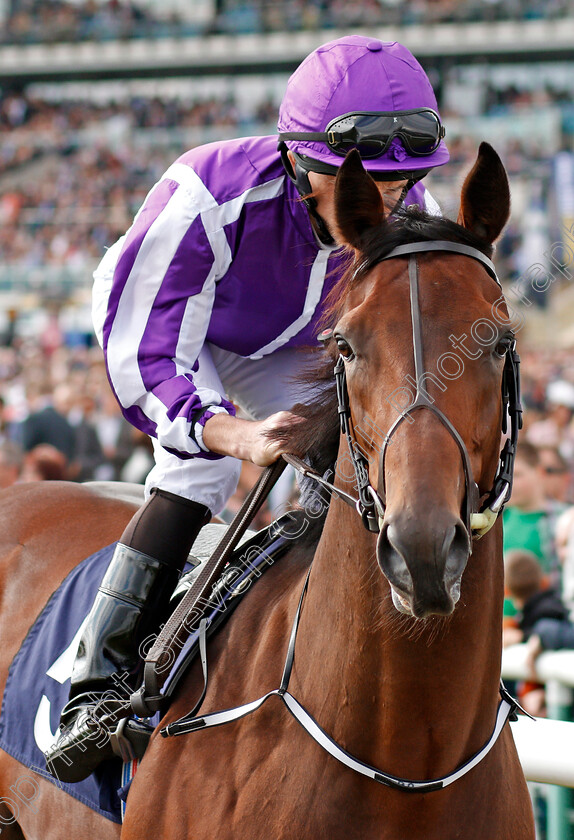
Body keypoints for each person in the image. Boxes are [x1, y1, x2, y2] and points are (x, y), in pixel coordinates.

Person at [45, 34, 449, 781]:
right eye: (364, 181)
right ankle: (95, 683)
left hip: (291, 337)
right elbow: (149, 357)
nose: (386, 201)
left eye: (403, 182)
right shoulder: (206, 192)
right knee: (203, 471)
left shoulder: (412, 203)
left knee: (346, 449)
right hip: (177, 325)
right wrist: (231, 431)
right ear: (300, 159)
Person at [503, 548, 574, 716]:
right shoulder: (546, 607)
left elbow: (552, 628)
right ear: (543, 580)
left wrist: (526, 636)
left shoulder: (546, 613)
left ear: (506, 592)